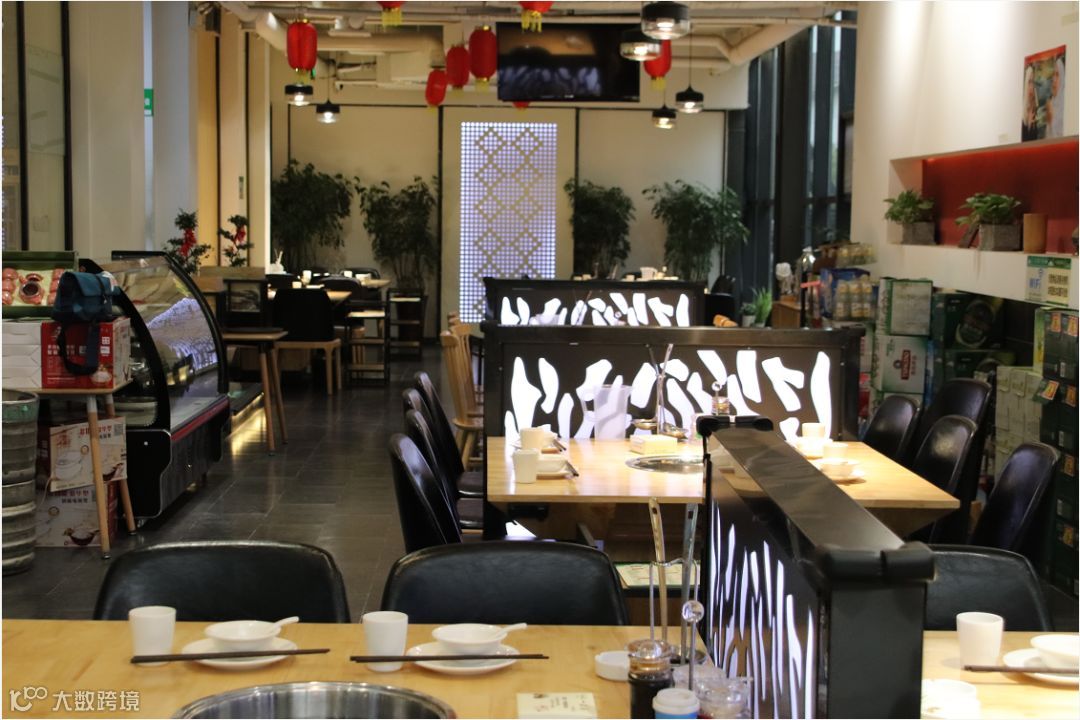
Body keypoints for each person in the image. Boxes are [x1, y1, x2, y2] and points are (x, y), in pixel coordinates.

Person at [1045, 56, 1066, 138]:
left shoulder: (1065, 107)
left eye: (1057, 75)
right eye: (1053, 74)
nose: (1053, 79)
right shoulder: (1051, 103)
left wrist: (1051, 121)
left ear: (1063, 79)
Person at [1022, 65, 1040, 141]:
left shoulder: (1036, 109)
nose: (1031, 87)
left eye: (1033, 82)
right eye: (1029, 82)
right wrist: (1028, 124)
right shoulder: (1022, 111)